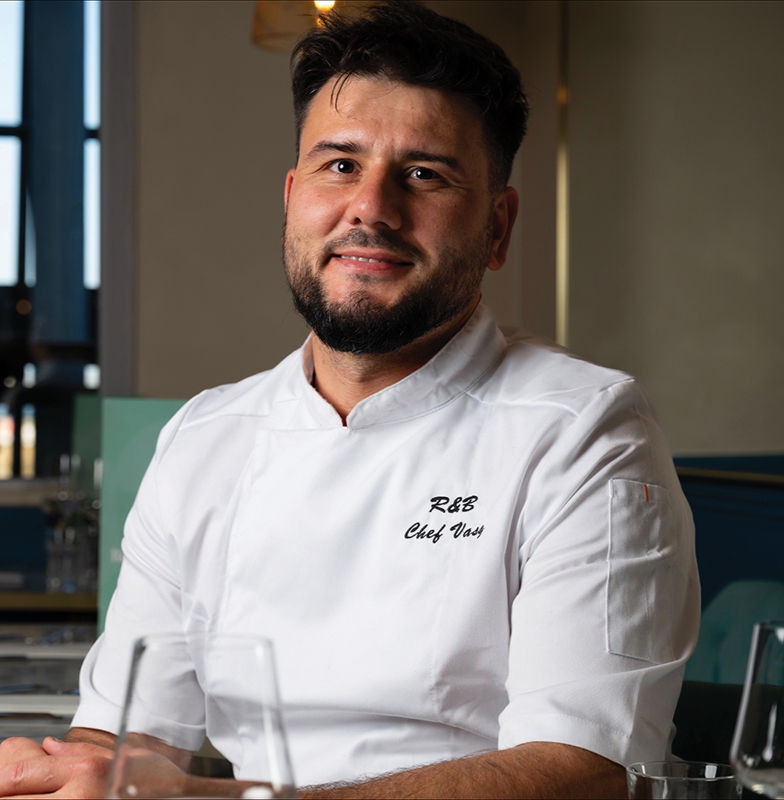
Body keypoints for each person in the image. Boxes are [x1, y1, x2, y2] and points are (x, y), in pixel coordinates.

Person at [0, 2, 700, 798]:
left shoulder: (585, 430)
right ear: (291, 198)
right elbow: (126, 737)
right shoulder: (206, 435)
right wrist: (57, 776)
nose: (371, 207)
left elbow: (584, 773)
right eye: (339, 165)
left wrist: (203, 798)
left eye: (425, 174)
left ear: (498, 229)